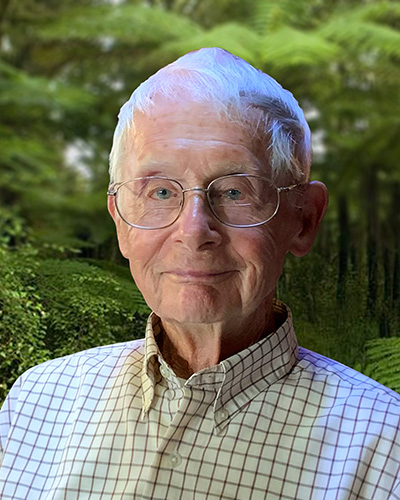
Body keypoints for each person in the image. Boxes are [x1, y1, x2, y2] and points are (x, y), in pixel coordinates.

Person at [1, 47, 399, 500]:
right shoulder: (36, 401)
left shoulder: (383, 449)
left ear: (303, 219)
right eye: (161, 191)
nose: (193, 231)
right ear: (119, 221)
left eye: (233, 191)